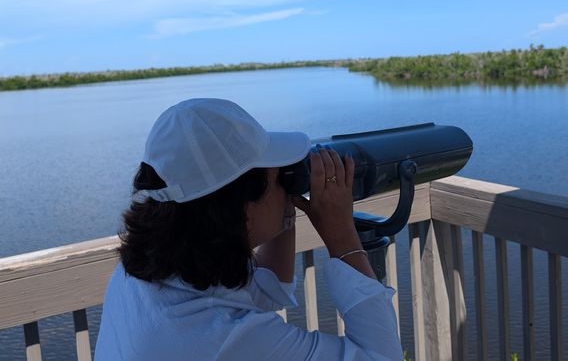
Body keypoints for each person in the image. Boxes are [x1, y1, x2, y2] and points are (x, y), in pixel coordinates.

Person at [95, 98, 403, 360]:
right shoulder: (220, 340)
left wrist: (287, 199)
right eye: (277, 177)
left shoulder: (146, 273)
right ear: (241, 208)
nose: (285, 181)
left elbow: (268, 291)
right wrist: (341, 235)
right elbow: (381, 356)